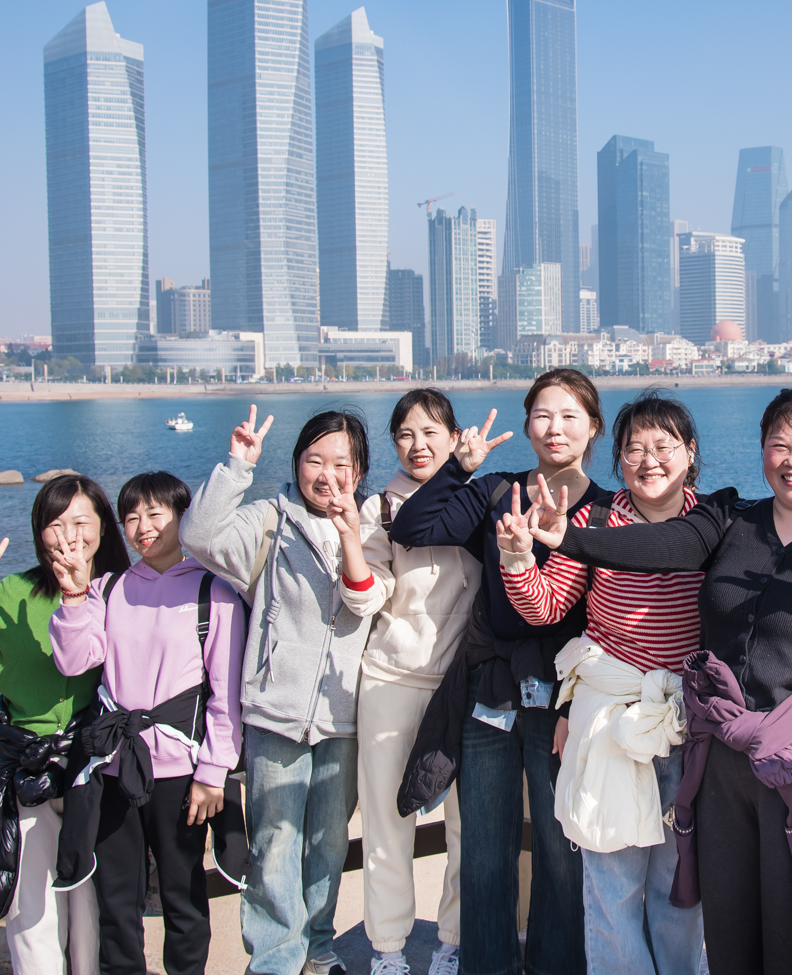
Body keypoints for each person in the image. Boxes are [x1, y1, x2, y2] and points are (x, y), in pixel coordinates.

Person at [529, 385, 792, 975]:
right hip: (715, 757)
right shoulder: (729, 518)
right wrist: (567, 537)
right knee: (725, 919)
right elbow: (665, 544)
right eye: (778, 445)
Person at [387, 368, 613, 975]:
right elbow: (411, 528)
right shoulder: (495, 492)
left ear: (593, 427)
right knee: (485, 849)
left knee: (562, 852)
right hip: (491, 690)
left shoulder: (605, 511)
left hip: (564, 700)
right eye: (543, 415)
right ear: (527, 425)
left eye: (570, 416)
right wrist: (456, 468)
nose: (555, 428)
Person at [495, 391, 707, 975]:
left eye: (663, 446)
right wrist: (519, 560)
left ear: (689, 453)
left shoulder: (712, 524)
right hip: (611, 727)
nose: (649, 460)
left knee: (680, 890)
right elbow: (546, 607)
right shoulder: (594, 521)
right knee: (611, 891)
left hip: (687, 728)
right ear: (617, 458)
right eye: (634, 449)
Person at [179, 408, 379, 975]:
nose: (326, 474)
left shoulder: (374, 528)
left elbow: (367, 601)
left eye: (340, 463)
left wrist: (351, 535)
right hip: (275, 711)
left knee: (328, 844)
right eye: (314, 460)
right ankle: (274, 960)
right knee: (272, 845)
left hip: (344, 713)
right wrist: (237, 467)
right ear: (296, 464)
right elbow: (197, 536)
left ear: (359, 470)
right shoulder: (270, 519)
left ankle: (318, 947)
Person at [0, 473, 128, 975]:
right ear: (39, 532)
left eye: (81, 522)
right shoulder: (15, 592)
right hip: (26, 769)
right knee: (32, 911)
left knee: (95, 909)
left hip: (100, 770)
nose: (69, 536)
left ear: (103, 526)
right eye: (55, 524)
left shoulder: (124, 591)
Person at [49, 471, 246, 975]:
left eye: (156, 514)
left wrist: (213, 772)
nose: (143, 527)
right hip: (113, 766)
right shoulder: (108, 588)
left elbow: (226, 696)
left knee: (183, 895)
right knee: (117, 900)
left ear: (184, 518)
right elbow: (75, 661)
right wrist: (72, 597)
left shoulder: (213, 592)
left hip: (181, 772)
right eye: (132, 517)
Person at [340, 390, 481, 975]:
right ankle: (389, 950)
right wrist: (352, 546)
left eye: (430, 432)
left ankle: (452, 942)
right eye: (405, 434)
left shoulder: (480, 500)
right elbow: (365, 596)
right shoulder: (379, 508)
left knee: (467, 826)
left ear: (455, 438)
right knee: (386, 823)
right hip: (391, 680)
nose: (417, 445)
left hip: (463, 684)